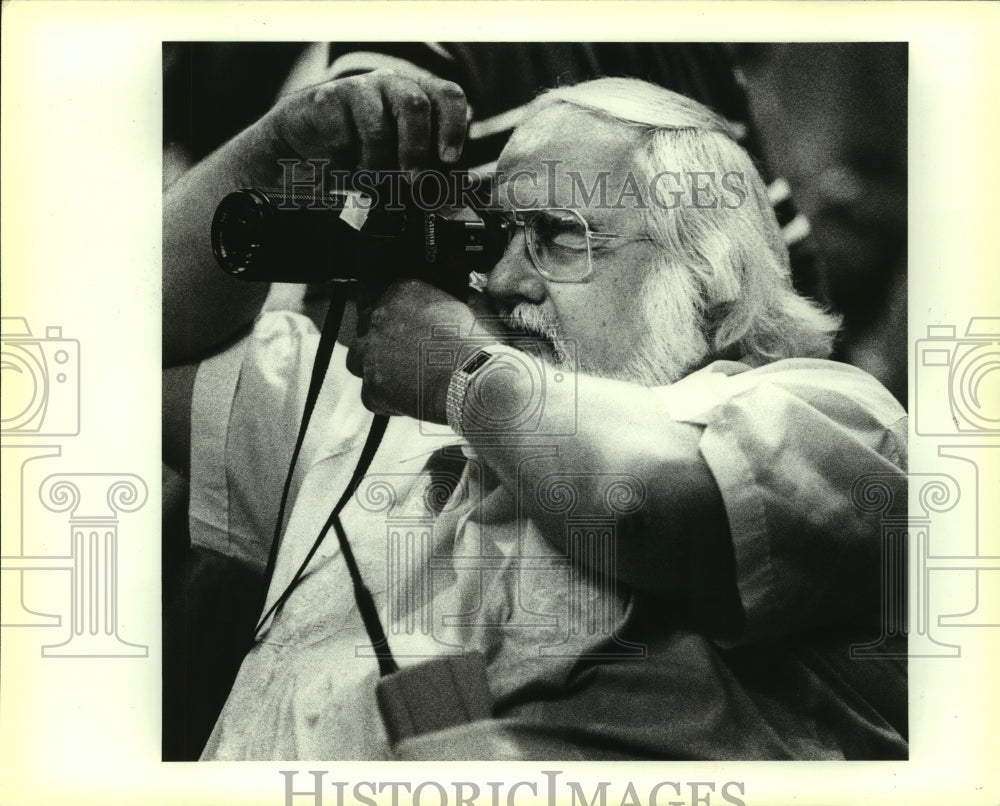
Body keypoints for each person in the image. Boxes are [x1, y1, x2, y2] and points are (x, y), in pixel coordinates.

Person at [163, 71, 907, 760]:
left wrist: (460, 370)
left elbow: (638, 507)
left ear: (709, 271)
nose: (504, 277)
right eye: (498, 237)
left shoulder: (826, 414)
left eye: (556, 236)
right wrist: (276, 146)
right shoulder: (373, 420)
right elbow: (125, 342)